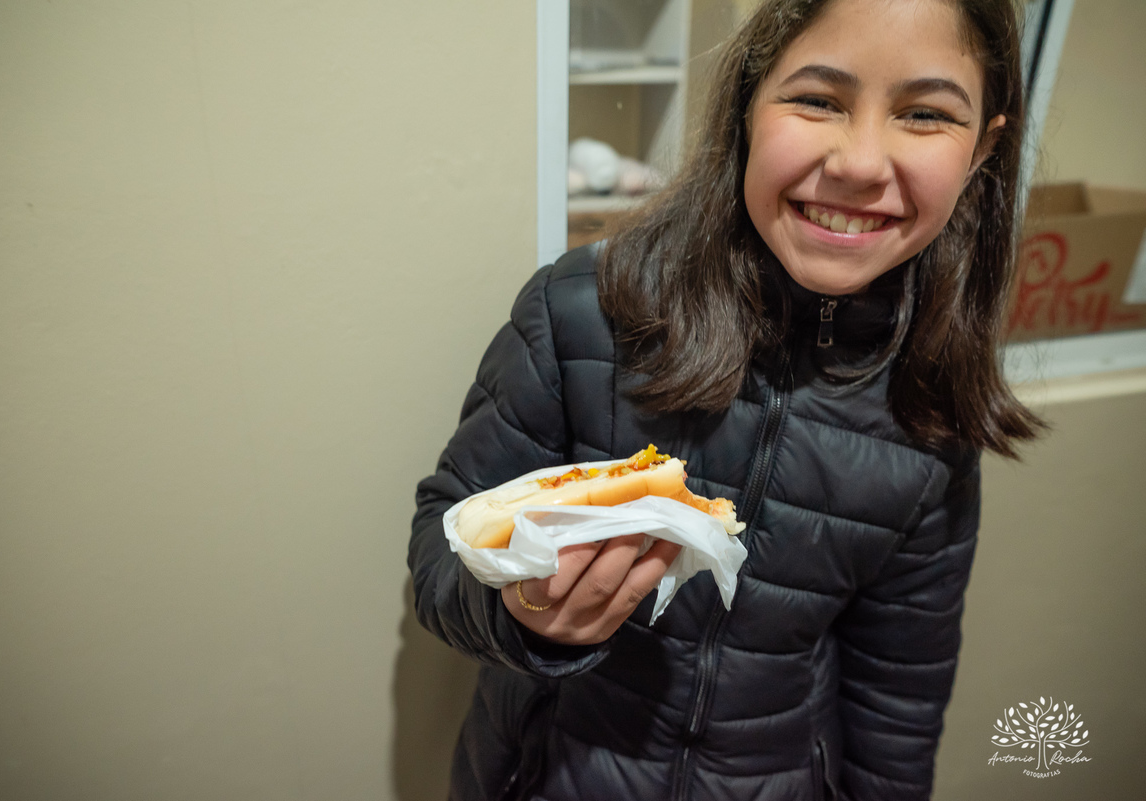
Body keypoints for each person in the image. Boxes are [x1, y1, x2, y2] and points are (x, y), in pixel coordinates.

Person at [409, 0, 1043, 798]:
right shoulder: (582, 311)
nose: (859, 162)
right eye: (818, 99)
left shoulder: (932, 407)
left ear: (985, 147)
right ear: (748, 99)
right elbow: (442, 544)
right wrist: (520, 613)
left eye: (925, 113)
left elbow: (897, 705)